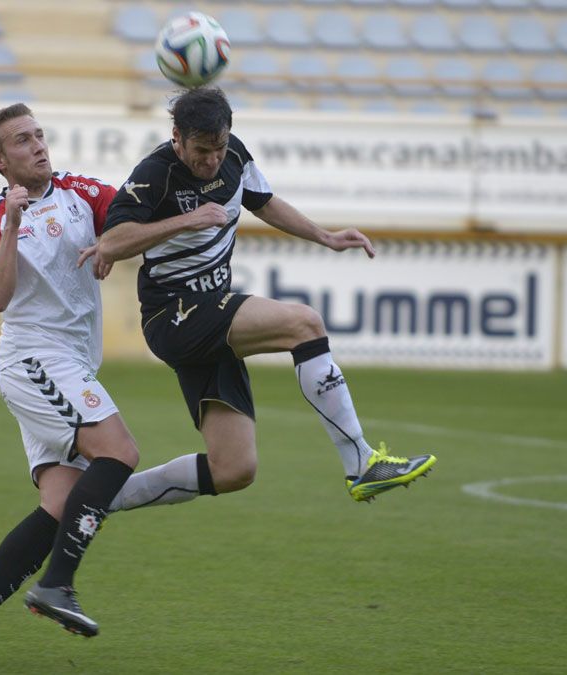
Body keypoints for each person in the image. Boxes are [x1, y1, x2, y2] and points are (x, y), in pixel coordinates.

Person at [0, 103, 208, 667]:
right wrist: (13, 223)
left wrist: (170, 221)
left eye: (38, 134)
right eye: (21, 140)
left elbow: (132, 222)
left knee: (59, 505)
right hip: (34, 358)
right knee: (120, 451)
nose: (37, 145)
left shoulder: (80, 191)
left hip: (71, 363)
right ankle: (56, 584)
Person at [95, 87, 436, 510]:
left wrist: (325, 236)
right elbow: (111, 243)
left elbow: (265, 202)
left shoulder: (234, 155)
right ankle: (361, 462)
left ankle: (97, 501)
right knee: (304, 324)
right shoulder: (153, 174)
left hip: (209, 313)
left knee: (234, 468)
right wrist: (188, 220)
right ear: (177, 138)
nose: (211, 160)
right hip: (173, 314)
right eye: (201, 150)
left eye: (218, 148)